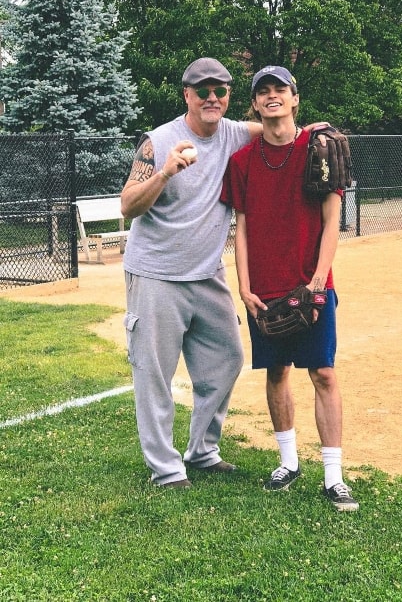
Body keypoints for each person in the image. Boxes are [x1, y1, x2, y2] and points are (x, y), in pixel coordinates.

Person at [121, 58, 326, 489]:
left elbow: (277, 128)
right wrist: (164, 173)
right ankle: (166, 468)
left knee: (228, 359)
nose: (212, 98)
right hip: (157, 274)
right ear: (187, 95)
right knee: (155, 373)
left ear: (230, 96)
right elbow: (128, 205)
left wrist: (315, 132)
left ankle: (202, 450)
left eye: (220, 90)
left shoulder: (234, 133)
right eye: (202, 91)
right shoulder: (158, 141)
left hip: (206, 274)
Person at [221, 66, 359, 511]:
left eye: (280, 89)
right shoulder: (242, 161)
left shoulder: (318, 148)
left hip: (310, 282)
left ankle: (333, 476)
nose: (272, 96)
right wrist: (244, 286)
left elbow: (332, 218)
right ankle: (287, 462)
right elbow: (240, 227)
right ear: (256, 105)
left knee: (323, 373)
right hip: (265, 288)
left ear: (295, 99)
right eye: (263, 92)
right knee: (277, 372)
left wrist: (318, 281)